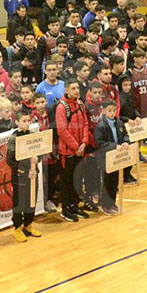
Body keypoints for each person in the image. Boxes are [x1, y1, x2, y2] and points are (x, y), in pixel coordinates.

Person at [54, 81, 90, 222]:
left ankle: (75, 205)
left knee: (77, 178)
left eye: (77, 88)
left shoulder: (80, 103)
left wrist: (84, 143)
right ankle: (66, 208)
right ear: (66, 90)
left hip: (80, 149)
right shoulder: (62, 107)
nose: (76, 91)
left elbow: (86, 123)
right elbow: (62, 131)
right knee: (66, 180)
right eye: (73, 88)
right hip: (68, 152)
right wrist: (76, 147)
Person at [7, 109, 43, 242]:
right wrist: (25, 171)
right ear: (17, 122)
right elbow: (10, 160)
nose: (27, 123)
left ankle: (28, 225)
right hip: (20, 176)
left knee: (31, 201)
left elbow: (40, 153)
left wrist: (37, 159)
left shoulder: (32, 135)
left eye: (29, 121)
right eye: (24, 121)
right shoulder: (14, 138)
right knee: (19, 203)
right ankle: (17, 228)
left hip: (33, 175)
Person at [93, 100, 128, 216]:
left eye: (114, 110)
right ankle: (105, 205)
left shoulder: (119, 123)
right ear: (103, 111)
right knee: (107, 183)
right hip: (105, 159)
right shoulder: (101, 126)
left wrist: (126, 142)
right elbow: (99, 143)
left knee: (114, 182)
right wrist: (114, 146)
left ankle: (112, 203)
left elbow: (125, 135)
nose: (112, 113)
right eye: (109, 111)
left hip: (116, 158)